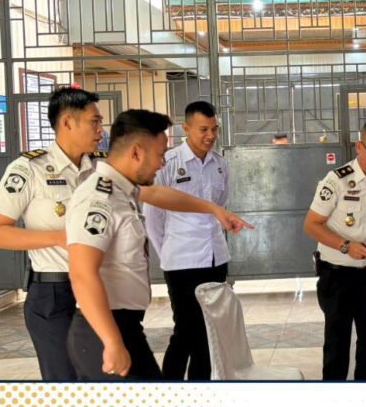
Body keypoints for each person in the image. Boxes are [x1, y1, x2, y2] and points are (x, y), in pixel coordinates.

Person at [66, 109, 252, 381]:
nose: (163, 162)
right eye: (160, 154)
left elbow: (160, 194)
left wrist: (214, 209)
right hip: (104, 331)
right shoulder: (98, 200)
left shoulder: (122, 189)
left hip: (126, 326)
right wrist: (112, 341)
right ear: (136, 152)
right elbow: (82, 274)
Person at [0, 87, 106, 380]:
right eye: (94, 122)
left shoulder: (101, 168)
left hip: (99, 289)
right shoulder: (29, 169)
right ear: (67, 122)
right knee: (66, 381)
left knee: (102, 379)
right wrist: (59, 238)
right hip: (54, 296)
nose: (101, 130)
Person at [303, 118, 366, 380]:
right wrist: (345, 246)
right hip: (337, 274)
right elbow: (311, 224)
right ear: (359, 147)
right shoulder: (336, 181)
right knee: (337, 345)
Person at [143, 101, 229, 380]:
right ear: (186, 128)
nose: (210, 135)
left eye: (214, 129)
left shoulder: (220, 165)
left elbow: (219, 207)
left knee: (209, 332)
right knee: (185, 331)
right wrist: (168, 253)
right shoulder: (168, 164)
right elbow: (153, 217)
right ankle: (170, 389)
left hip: (215, 258)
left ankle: (199, 389)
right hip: (181, 262)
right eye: (203, 129)